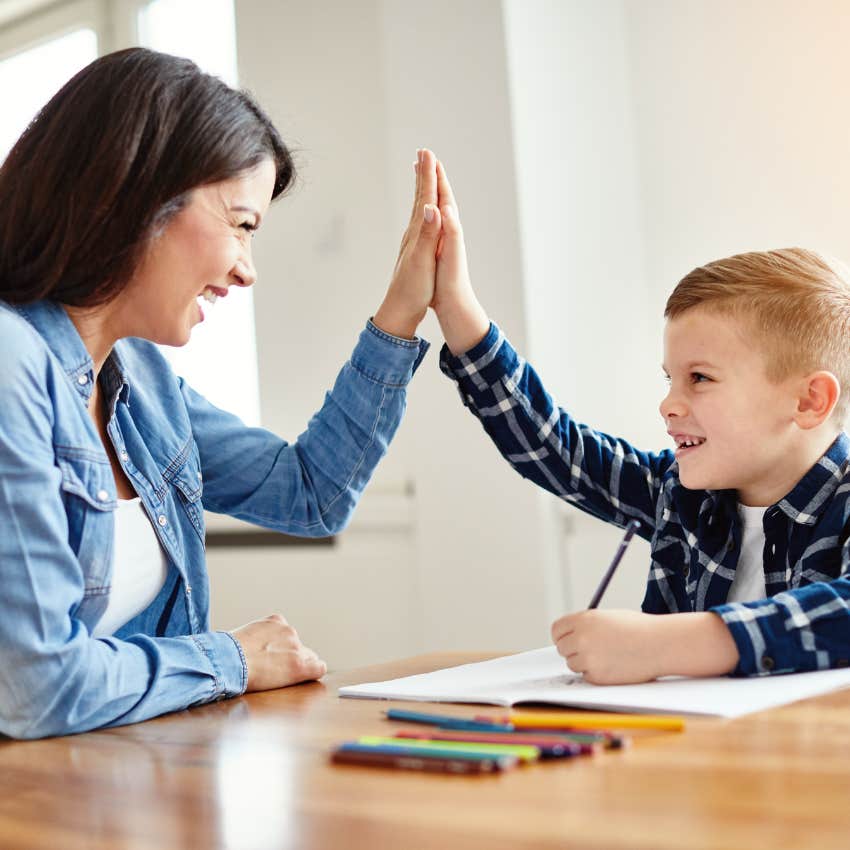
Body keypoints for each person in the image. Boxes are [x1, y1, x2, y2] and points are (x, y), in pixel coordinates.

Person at [0, 47, 446, 739]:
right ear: (136, 192)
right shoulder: (11, 361)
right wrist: (231, 657)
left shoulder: (140, 380)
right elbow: (36, 689)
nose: (247, 270)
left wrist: (402, 312)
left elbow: (311, 494)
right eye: (241, 225)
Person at [428, 161, 850, 684]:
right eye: (668, 378)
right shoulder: (679, 492)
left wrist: (674, 645)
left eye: (700, 378)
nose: (668, 404)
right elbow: (556, 450)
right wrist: (456, 309)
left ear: (809, 401)